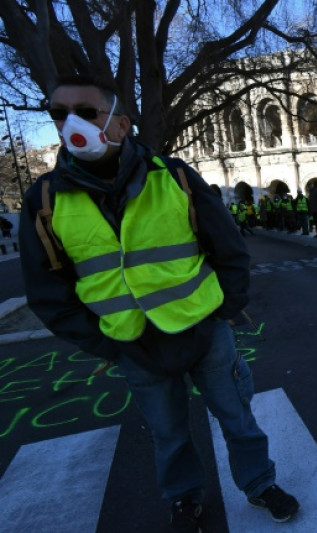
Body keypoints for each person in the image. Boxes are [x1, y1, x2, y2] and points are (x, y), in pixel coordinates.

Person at [17, 75, 299, 531]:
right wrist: (106, 343)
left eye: (86, 112)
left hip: (205, 332)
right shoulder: (45, 200)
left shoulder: (175, 177)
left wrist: (222, 312)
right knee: (168, 434)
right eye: (59, 114)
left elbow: (228, 248)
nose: (71, 123)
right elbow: (48, 290)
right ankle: (185, 499)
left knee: (238, 419)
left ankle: (260, 483)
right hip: (132, 345)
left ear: (121, 123)